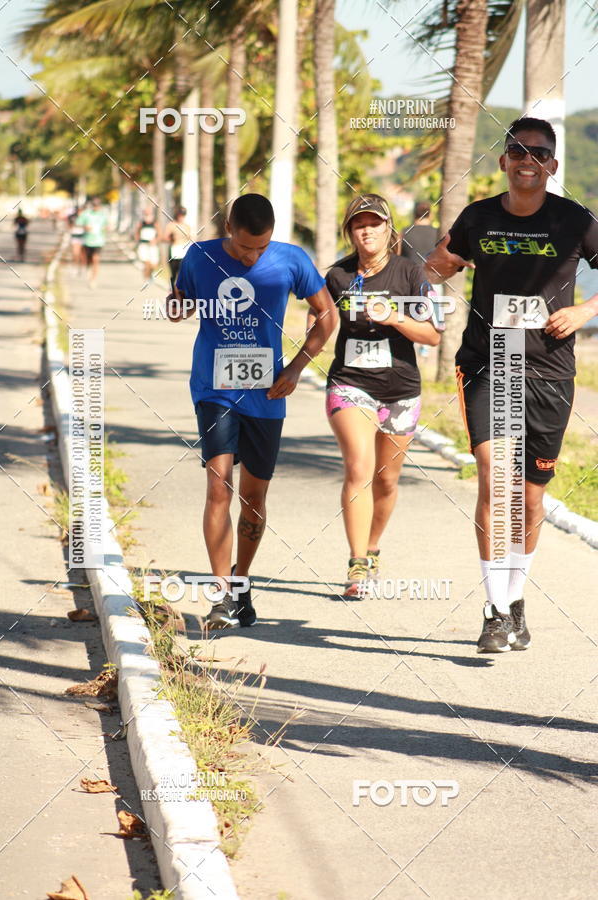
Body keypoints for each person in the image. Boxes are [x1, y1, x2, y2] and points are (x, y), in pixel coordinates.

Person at [424, 116, 598, 653]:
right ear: (503, 160)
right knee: (494, 479)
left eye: (539, 153)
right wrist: (438, 263)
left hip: (549, 370)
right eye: (518, 151)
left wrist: (584, 311)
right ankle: (495, 610)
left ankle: (515, 597)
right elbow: (437, 268)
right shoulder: (478, 217)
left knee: (528, 497)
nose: (528, 160)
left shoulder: (576, 221)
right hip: (487, 362)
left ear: (551, 164)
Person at [167, 193, 337, 630]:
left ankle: (241, 584)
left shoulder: (290, 260)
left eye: (261, 248)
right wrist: (176, 306)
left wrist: (297, 368)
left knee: (254, 497)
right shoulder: (199, 256)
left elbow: (326, 314)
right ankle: (222, 594)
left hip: (266, 394)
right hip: (214, 388)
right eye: (245, 247)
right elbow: (181, 300)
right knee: (218, 485)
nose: (252, 255)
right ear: (229, 229)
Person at [320, 193, 441, 598]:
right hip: (349, 384)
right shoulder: (336, 276)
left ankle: (372, 548)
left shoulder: (411, 274)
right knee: (358, 467)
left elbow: (432, 335)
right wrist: (293, 366)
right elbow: (319, 329)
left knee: (386, 481)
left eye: (374, 223)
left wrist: (395, 317)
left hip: (400, 390)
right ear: (350, 232)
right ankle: (356, 565)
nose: (366, 230)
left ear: (389, 230)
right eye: (358, 224)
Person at [78, 197, 109, 287]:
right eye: (94, 205)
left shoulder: (103, 215)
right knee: (89, 259)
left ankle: (93, 279)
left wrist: (105, 228)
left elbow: (107, 226)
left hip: (98, 241)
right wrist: (85, 227)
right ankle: (88, 268)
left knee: (96, 259)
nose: (96, 207)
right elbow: (79, 223)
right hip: (88, 240)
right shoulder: (86, 214)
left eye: (97, 205)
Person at [163, 206, 192, 288]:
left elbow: (190, 238)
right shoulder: (171, 225)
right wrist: (172, 239)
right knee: (174, 271)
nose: (181, 217)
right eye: (180, 215)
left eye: (183, 215)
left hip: (184, 251)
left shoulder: (187, 226)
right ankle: (172, 288)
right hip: (174, 251)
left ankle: (181, 289)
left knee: (183, 271)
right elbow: (165, 237)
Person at [135, 208, 160, 280]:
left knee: (153, 264)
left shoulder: (155, 223)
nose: (147, 216)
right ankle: (146, 279)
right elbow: (137, 233)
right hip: (144, 245)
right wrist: (138, 240)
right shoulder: (141, 223)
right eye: (146, 214)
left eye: (149, 214)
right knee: (146, 262)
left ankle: (150, 274)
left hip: (153, 246)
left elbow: (159, 235)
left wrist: (155, 240)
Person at [69, 204, 86, 275]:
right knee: (75, 253)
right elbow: (70, 226)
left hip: (83, 236)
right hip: (75, 237)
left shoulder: (85, 217)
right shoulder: (72, 217)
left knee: (82, 254)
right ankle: (75, 267)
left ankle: (83, 267)